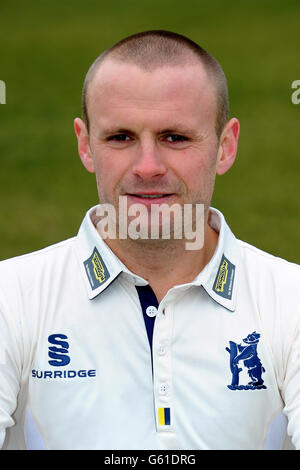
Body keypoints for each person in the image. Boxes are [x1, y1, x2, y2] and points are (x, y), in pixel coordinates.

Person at [0, 30, 299, 451]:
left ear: (225, 147)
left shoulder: (291, 300)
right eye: (120, 137)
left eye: (174, 137)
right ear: (85, 145)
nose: (147, 166)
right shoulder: (11, 297)